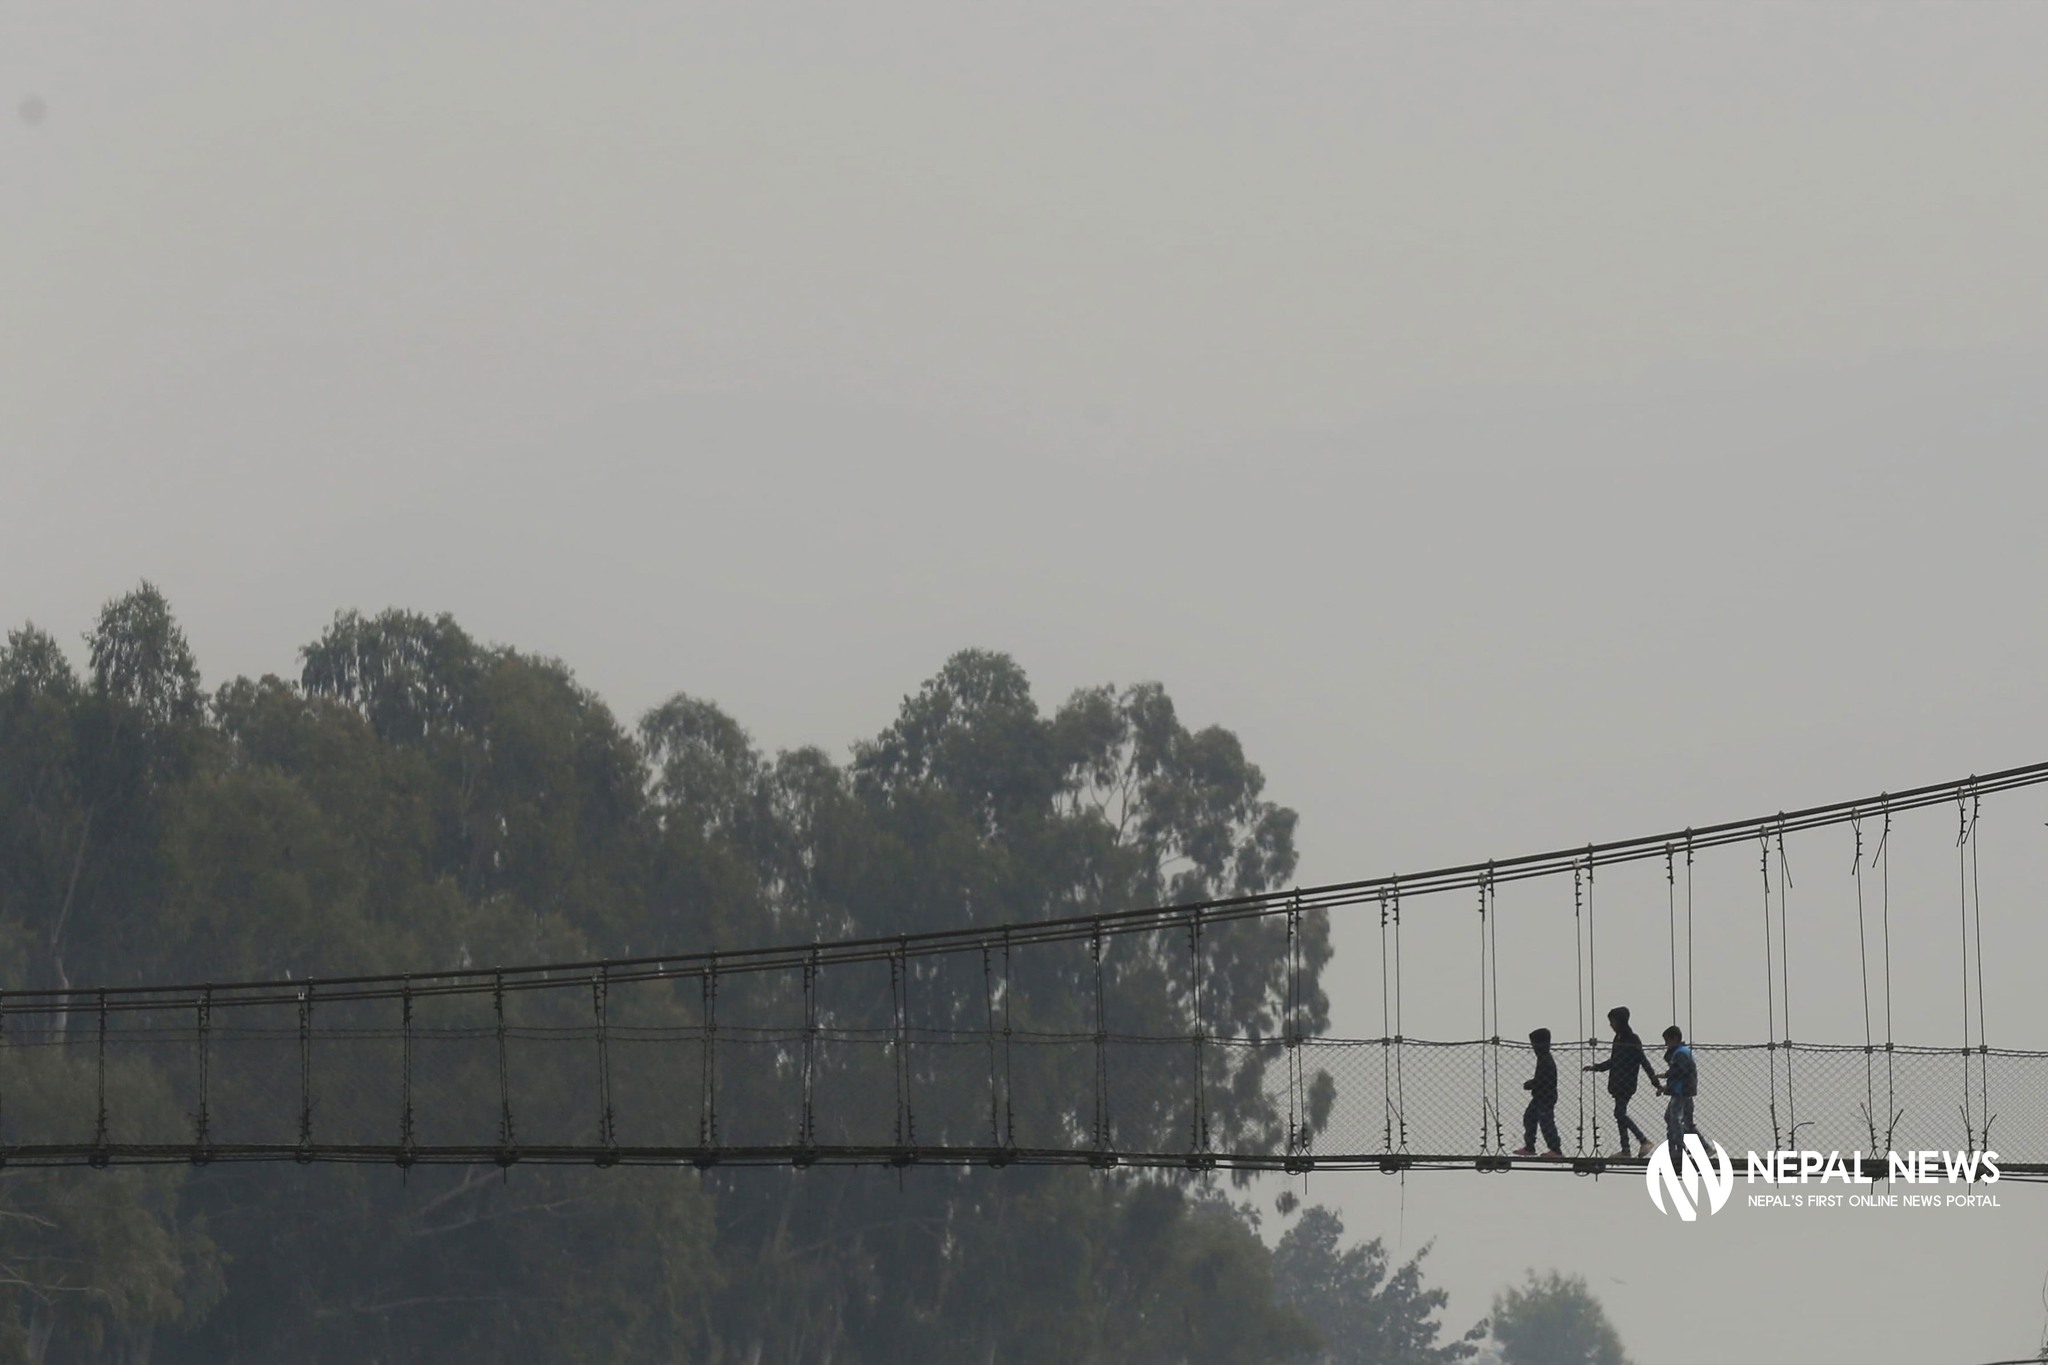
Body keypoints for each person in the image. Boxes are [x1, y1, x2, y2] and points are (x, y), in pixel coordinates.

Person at [1583, 1005, 1660, 1158]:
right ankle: (1626, 1149)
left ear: (1621, 1022)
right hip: (1617, 1084)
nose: (1611, 1025)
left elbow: (1643, 1061)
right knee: (1620, 1115)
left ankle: (1643, 1140)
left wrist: (1655, 1082)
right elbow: (1614, 1061)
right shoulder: (1618, 1039)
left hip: (1626, 1084)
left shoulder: (1632, 1039)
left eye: (1613, 1021)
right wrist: (1596, 1067)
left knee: (1619, 1113)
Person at [1513, 1027, 1563, 1157]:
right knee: (1529, 1118)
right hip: (1540, 1096)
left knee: (1546, 1121)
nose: (1533, 1048)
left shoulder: (1546, 1059)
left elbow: (1544, 1079)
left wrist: (1531, 1084)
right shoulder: (1543, 1058)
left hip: (1546, 1097)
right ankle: (1530, 1147)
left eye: (1534, 1044)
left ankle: (1555, 1149)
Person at [1659, 1024, 1698, 1158]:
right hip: (1683, 1090)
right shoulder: (1684, 1051)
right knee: (1683, 1121)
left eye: (1667, 1041)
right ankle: (1701, 1146)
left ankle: (1679, 1148)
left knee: (1674, 1118)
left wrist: (1665, 1075)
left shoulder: (1680, 1053)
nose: (1666, 1045)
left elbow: (1679, 1072)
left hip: (1681, 1091)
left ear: (1674, 1039)